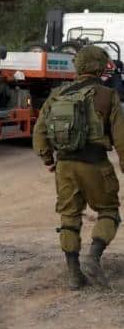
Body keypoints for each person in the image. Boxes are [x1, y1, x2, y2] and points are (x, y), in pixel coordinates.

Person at [33, 45, 124, 290]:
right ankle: (93, 257)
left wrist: (48, 160)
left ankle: (74, 274)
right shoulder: (108, 95)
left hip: (65, 166)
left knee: (69, 217)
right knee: (109, 211)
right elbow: (121, 138)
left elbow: (39, 133)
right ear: (100, 67)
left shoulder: (57, 94)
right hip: (95, 164)